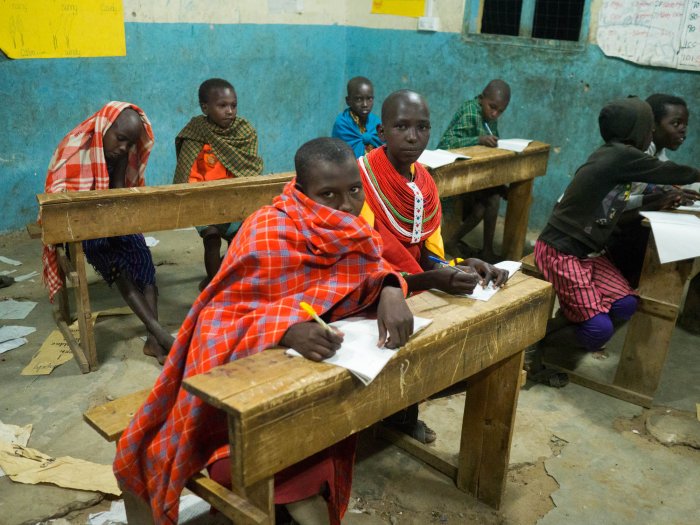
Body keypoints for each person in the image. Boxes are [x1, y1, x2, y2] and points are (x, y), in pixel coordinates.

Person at [114, 137, 415, 525]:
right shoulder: (266, 231)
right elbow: (216, 321)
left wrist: (391, 287)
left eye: (354, 190)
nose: (345, 205)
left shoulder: (353, 230)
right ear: (302, 191)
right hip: (237, 398)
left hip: (304, 383)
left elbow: (367, 273)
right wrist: (286, 331)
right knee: (298, 478)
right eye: (328, 194)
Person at [358, 89, 508, 443]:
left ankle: (403, 410)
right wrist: (430, 277)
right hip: (372, 286)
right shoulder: (361, 181)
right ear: (381, 132)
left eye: (422, 127)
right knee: (399, 332)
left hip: (414, 279)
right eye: (401, 127)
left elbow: (428, 246)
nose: (413, 137)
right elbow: (363, 259)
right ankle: (383, 413)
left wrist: (460, 264)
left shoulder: (423, 181)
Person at [529, 97, 700, 385]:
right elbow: (671, 172)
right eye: (648, 128)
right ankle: (532, 347)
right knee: (598, 330)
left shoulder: (616, 154)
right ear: (638, 130)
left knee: (624, 305)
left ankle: (559, 330)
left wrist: (655, 198)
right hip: (562, 251)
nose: (650, 136)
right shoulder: (621, 155)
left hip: (588, 253)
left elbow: (618, 199)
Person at [42, 101, 174, 364]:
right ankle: (159, 332)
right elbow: (58, 200)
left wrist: (120, 230)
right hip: (79, 226)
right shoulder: (74, 147)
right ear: (105, 126)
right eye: (120, 139)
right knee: (116, 264)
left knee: (142, 260)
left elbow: (115, 195)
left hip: (109, 216)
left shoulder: (121, 152)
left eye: (129, 143)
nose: (123, 148)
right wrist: (98, 225)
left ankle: (151, 339)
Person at [173, 78, 263, 290]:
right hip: (204, 201)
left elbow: (247, 169)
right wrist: (200, 198)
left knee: (241, 239)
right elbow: (189, 174)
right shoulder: (196, 132)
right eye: (222, 106)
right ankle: (214, 287)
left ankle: (219, 278)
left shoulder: (244, 132)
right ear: (205, 107)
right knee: (211, 237)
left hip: (234, 200)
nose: (229, 111)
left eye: (233, 105)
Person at [607, 93, 698, 287]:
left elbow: (670, 178)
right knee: (649, 238)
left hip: (616, 217)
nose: (684, 131)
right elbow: (612, 206)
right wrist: (657, 199)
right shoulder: (636, 153)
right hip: (599, 226)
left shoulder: (657, 152)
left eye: (685, 124)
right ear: (652, 125)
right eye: (676, 124)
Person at [437, 79, 511, 262]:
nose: (494, 114)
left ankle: (487, 250)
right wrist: (478, 140)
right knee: (480, 209)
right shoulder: (470, 111)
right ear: (481, 98)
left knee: (494, 198)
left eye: (500, 111)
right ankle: (452, 241)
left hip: (476, 177)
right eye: (491, 107)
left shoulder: (490, 120)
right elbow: (447, 143)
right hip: (453, 176)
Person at [332, 76, 384, 158]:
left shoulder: (376, 123)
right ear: (348, 101)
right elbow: (338, 156)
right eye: (359, 99)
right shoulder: (342, 125)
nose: (365, 104)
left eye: (369, 99)